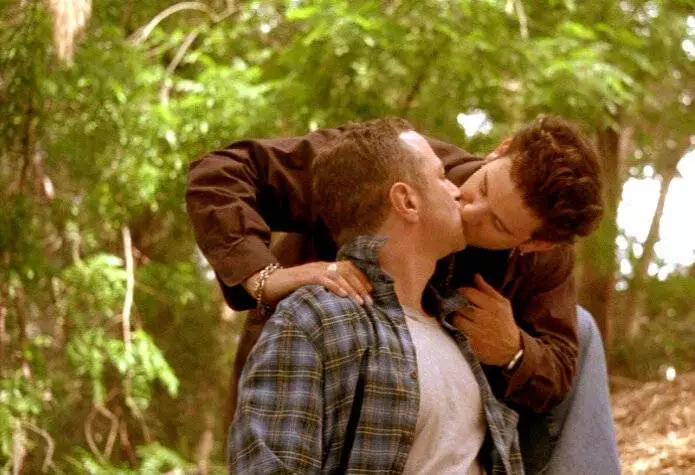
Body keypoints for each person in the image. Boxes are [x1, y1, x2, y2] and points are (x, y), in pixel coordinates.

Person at [186, 115, 620, 473]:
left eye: (499, 225)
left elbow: (559, 366)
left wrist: (513, 351)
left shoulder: (542, 261)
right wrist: (264, 277)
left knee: (581, 330)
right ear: (499, 150)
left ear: (535, 243)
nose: (468, 207)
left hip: (448, 407)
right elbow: (222, 172)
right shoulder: (394, 164)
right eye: (484, 187)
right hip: (322, 383)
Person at [228, 118, 523, 473]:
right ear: (407, 201)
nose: (458, 192)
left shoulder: (460, 330)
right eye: (442, 177)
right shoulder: (315, 319)